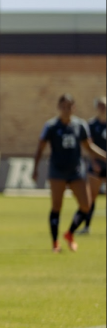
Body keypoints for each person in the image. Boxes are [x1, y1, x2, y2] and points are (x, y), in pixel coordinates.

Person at [31, 94, 106, 252]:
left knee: (86, 206)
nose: (66, 110)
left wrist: (104, 157)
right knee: (57, 206)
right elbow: (40, 148)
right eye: (64, 107)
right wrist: (35, 168)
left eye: (70, 106)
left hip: (76, 171)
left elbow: (89, 147)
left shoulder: (80, 125)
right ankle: (55, 243)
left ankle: (70, 233)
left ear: (74, 107)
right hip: (57, 170)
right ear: (59, 108)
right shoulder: (51, 126)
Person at [76, 96, 106, 235]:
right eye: (100, 105)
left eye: (104, 105)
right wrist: (94, 162)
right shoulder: (91, 125)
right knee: (91, 196)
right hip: (97, 166)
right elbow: (89, 146)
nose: (102, 108)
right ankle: (87, 226)